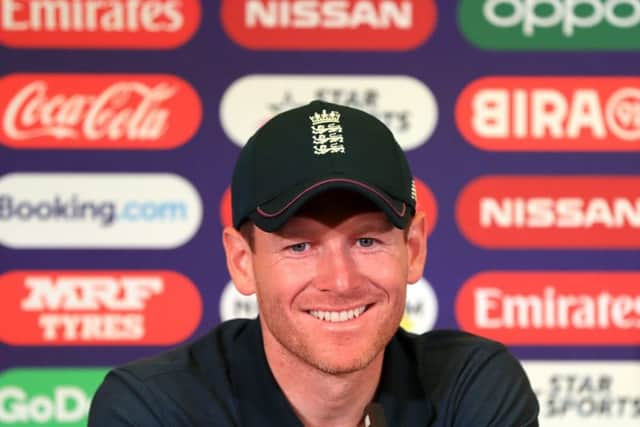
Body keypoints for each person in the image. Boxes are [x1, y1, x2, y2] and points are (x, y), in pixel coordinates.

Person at [89, 100, 539, 426]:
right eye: (299, 247)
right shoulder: (155, 408)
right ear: (242, 261)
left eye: (366, 240)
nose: (340, 281)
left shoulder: (470, 386)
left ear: (415, 249)